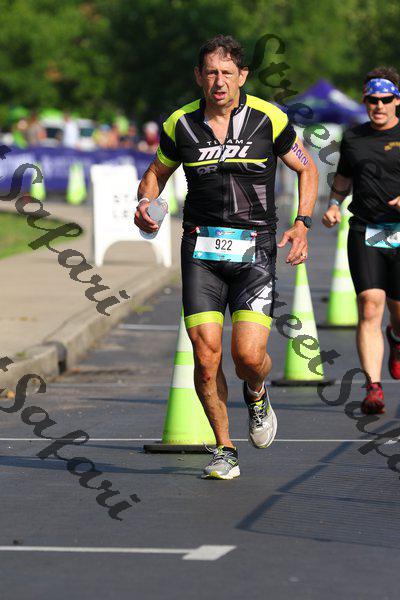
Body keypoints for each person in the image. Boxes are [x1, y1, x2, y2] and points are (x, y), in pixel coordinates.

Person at [135, 35, 318, 479]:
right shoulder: (181, 124)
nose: (219, 81)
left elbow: (306, 167)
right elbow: (156, 174)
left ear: (243, 76)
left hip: (255, 250)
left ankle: (256, 392)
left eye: (227, 73)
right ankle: (225, 448)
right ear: (199, 76)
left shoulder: (269, 119)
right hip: (201, 252)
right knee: (205, 357)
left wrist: (302, 223)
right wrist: (145, 204)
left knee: (248, 357)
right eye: (211, 73)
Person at [323, 66, 400, 415]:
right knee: (370, 304)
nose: (378, 106)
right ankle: (373, 387)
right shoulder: (353, 137)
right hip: (366, 229)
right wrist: (333, 205)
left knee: (397, 311)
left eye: (385, 99)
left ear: (396, 101)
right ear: (365, 102)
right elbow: (343, 178)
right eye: (372, 100)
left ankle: (395, 337)